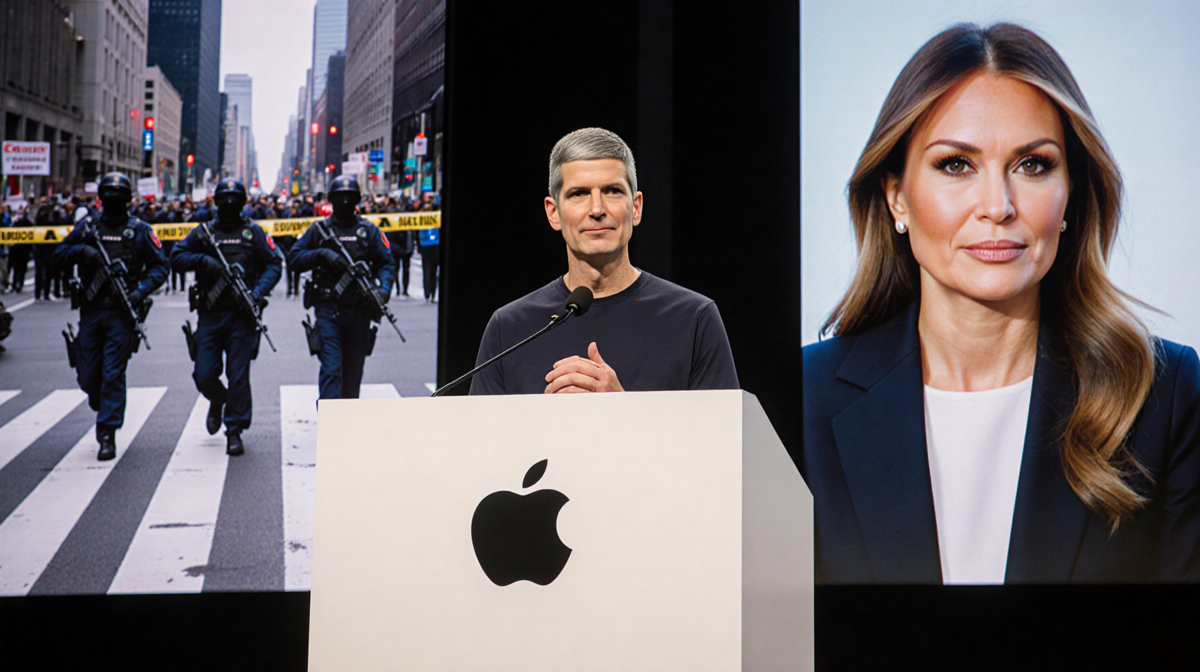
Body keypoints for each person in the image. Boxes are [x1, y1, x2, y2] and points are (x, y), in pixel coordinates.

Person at [802, 23, 1200, 584]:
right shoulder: (800, 401)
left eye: (1032, 164)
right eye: (956, 164)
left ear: (1070, 196)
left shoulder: (1165, 395)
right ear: (897, 198)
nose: (998, 205)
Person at [468, 127, 739, 395]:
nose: (597, 209)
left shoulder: (694, 319)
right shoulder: (510, 328)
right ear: (553, 212)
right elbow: (480, 438)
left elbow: (722, 438)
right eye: (579, 194)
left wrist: (619, 410)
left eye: (612, 191)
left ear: (636, 207)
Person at [51, 172, 168, 461]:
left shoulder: (139, 230)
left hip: (121, 312)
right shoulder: (88, 227)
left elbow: (160, 268)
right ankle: (99, 399)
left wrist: (138, 293)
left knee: (113, 373)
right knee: (89, 376)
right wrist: (84, 252)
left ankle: (107, 433)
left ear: (128, 200)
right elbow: (58, 255)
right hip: (91, 310)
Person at [170, 179, 282, 455]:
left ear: (243, 202)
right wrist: (202, 261)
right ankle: (218, 399)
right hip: (210, 314)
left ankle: (234, 429)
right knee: (204, 373)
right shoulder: (204, 233)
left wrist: (256, 293)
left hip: (241, 316)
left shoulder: (253, 233)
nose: (230, 204)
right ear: (217, 202)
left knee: (238, 375)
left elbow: (274, 264)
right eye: (225, 199)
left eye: (235, 199)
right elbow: (176, 255)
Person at [288, 175, 395, 400]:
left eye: (350, 197)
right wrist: (321, 255)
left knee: (353, 375)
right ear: (332, 199)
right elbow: (294, 258)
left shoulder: (369, 231)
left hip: (360, 312)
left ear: (356, 200)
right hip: (329, 310)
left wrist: (383, 291)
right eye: (340, 197)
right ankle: (330, 426)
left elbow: (386, 263)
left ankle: (345, 427)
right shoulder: (319, 230)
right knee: (332, 370)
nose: (345, 201)